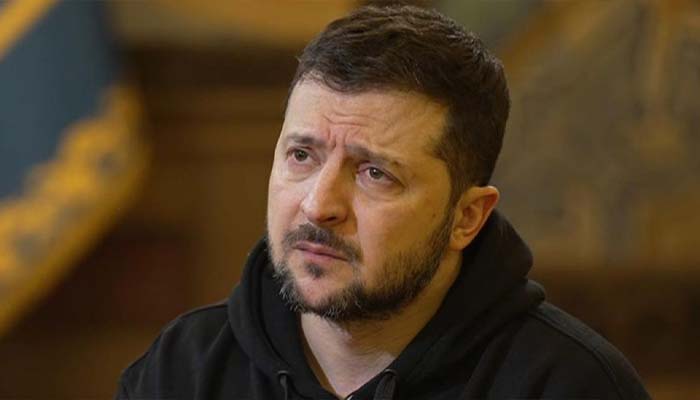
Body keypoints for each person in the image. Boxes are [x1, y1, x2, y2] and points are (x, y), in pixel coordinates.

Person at [115, 5, 650, 400]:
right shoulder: (183, 369)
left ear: (466, 218)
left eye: (375, 174)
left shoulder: (570, 386)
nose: (318, 205)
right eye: (302, 155)